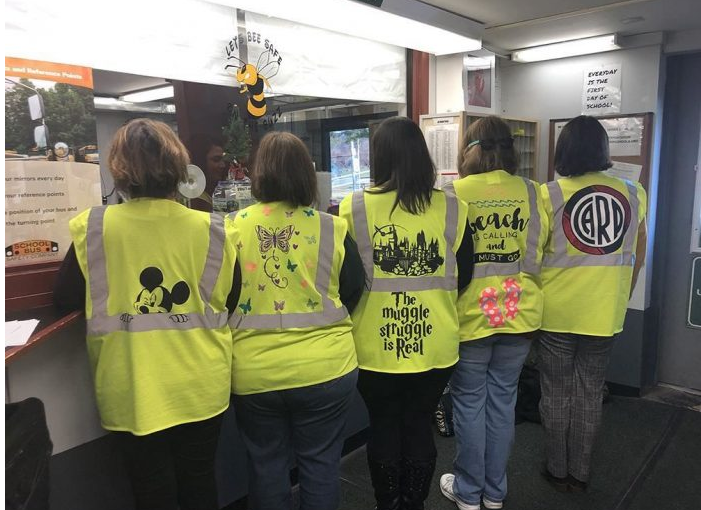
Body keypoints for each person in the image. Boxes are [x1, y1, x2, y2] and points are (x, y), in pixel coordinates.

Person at [53, 119, 238, 510]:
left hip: (133, 388)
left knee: (151, 491)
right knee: (200, 481)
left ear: (119, 169)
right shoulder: (214, 229)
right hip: (201, 385)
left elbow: (64, 299)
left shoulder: (95, 228)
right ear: (179, 167)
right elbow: (230, 299)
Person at [339, 116, 473, 510]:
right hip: (436, 344)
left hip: (373, 347)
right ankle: (414, 502)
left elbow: (346, 281)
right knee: (418, 425)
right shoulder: (452, 208)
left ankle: (387, 502)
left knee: (382, 426)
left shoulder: (354, 207)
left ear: (377, 157)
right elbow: (463, 274)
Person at [227, 131, 364, 510]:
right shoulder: (331, 227)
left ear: (259, 173)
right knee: (320, 466)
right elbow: (353, 288)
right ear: (307, 174)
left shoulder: (231, 227)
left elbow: (223, 296)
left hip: (255, 372)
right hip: (326, 368)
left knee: (266, 467)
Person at [439, 116, 549, 510]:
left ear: (470, 149)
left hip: (470, 316)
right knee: (503, 401)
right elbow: (539, 255)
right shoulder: (534, 193)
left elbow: (447, 260)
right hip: (521, 313)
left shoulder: (453, 194)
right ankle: (495, 492)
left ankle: (468, 492)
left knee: (470, 403)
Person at [538, 115, 647, 493]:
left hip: (556, 313)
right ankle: (580, 474)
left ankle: (556, 469)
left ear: (562, 149)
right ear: (603, 149)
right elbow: (638, 253)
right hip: (604, 315)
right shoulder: (633, 193)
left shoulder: (548, 194)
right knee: (589, 392)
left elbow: (533, 257)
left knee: (555, 392)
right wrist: (621, 297)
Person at [186, 133, 229, 212]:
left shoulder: (214, 191)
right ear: (199, 161)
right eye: (216, 160)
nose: (223, 165)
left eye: (223, 160)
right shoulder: (192, 200)